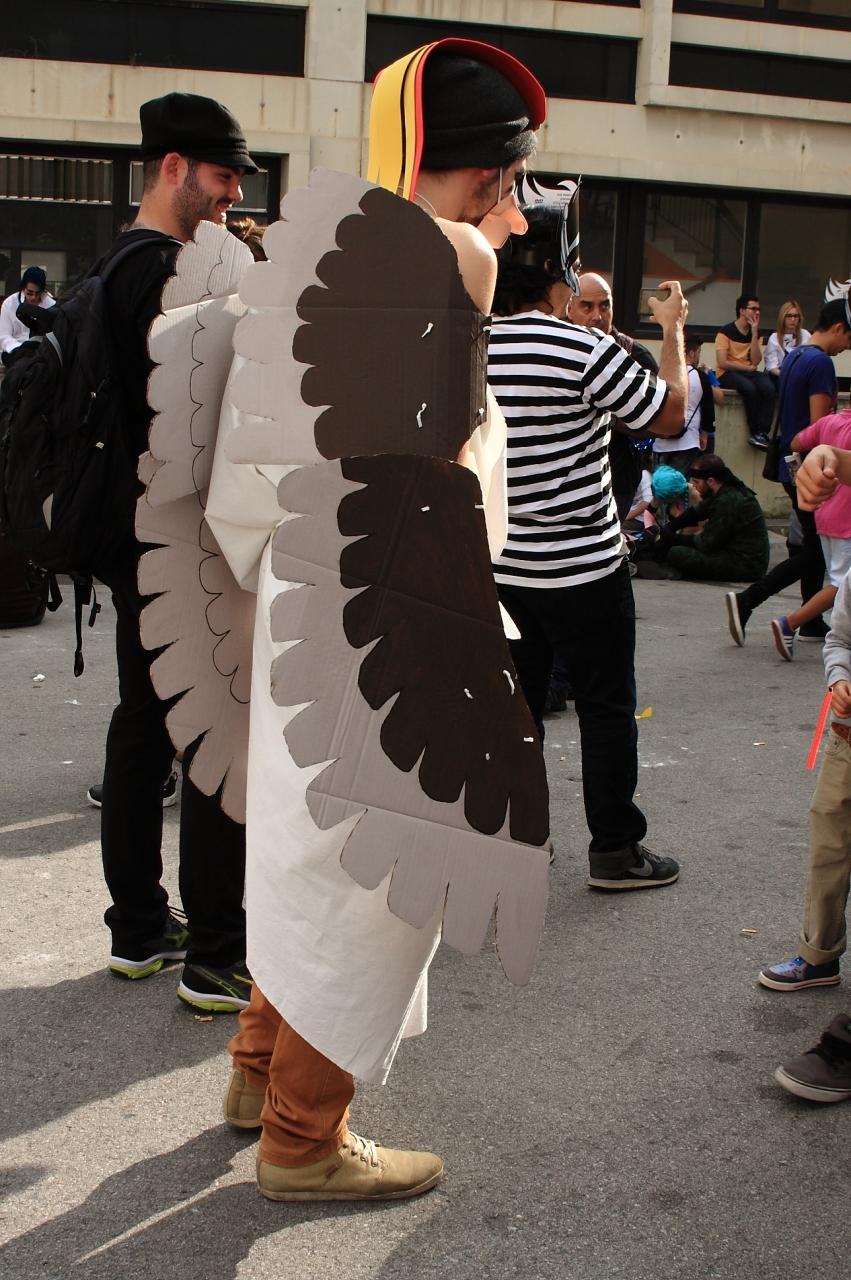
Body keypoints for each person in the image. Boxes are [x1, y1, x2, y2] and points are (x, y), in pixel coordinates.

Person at [205, 41, 550, 1202]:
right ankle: (301, 1137)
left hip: (305, 591)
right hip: (388, 610)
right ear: (486, 173)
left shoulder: (317, 258)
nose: (516, 218)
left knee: (308, 852)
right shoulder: (447, 254)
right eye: (511, 185)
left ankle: (258, 1069)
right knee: (372, 879)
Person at [96, 92, 253, 1010]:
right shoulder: (173, 274)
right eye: (223, 175)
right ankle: (217, 957)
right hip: (188, 538)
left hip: (131, 537)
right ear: (172, 167)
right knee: (212, 731)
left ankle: (139, 929)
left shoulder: (115, 261)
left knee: (144, 724)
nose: (234, 194)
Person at [488, 204, 688, 890]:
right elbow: (669, 415)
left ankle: (520, 839)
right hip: (584, 568)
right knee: (604, 707)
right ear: (557, 272)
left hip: (502, 567)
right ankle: (614, 851)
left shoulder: (468, 343)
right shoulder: (582, 348)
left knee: (514, 713)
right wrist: (673, 331)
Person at [724, 297, 851, 647]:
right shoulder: (821, 363)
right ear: (838, 328)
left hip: (790, 462)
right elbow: (820, 426)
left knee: (812, 547)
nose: (847, 347)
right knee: (815, 553)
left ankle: (808, 622)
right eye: (849, 338)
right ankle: (751, 601)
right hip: (812, 468)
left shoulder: (796, 355)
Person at [567, 270, 659, 521]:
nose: (597, 316)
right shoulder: (555, 350)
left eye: (604, 306)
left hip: (617, 479)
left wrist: (608, 412)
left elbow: (659, 422)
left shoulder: (634, 355)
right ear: (569, 308)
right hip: (562, 481)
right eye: (587, 306)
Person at [770, 407, 851, 662]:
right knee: (841, 584)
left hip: (823, 511)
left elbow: (796, 442)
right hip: (845, 519)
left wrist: (821, 450)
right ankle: (790, 622)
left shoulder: (829, 421)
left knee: (840, 582)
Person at [659, 454, 769, 582]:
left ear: (710, 481)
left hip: (746, 565)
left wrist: (672, 539)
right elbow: (697, 512)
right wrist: (670, 528)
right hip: (732, 554)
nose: (693, 485)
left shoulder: (729, 500)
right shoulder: (723, 491)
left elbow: (706, 542)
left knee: (677, 553)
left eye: (696, 482)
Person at [715, 293, 776, 449]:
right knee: (749, 389)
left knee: (769, 388)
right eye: (753, 308)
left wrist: (754, 333)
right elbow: (722, 362)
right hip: (727, 374)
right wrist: (746, 368)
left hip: (748, 372)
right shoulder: (725, 331)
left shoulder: (756, 333)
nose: (757, 312)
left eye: (758, 309)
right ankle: (754, 432)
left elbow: (755, 360)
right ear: (742, 310)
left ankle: (763, 433)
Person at [652, 330, 714, 475]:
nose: (698, 357)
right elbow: (708, 410)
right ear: (691, 353)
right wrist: (704, 434)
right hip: (688, 441)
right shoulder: (700, 377)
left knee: (660, 484)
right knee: (678, 483)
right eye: (698, 352)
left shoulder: (662, 373)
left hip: (661, 441)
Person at [0, 266, 55, 365]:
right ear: (23, 288)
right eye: (30, 293)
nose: (34, 297)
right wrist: (20, 349)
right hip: (16, 351)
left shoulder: (51, 306)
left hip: (40, 352)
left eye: (37, 293)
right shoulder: (9, 304)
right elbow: (4, 336)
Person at [764, 299, 810, 378]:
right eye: (789, 316)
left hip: (799, 374)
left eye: (796, 316)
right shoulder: (774, 338)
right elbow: (772, 366)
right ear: (782, 317)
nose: (793, 319)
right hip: (778, 374)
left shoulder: (805, 335)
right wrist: (788, 376)